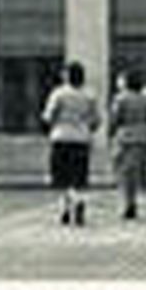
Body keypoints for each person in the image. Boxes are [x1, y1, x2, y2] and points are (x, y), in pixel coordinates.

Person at [41, 60, 101, 226]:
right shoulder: (90, 95)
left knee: (62, 177)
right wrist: (87, 129)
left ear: (66, 76)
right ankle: (77, 201)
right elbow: (96, 120)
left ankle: (66, 208)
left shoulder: (59, 93)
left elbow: (48, 115)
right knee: (78, 176)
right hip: (81, 138)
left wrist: (51, 125)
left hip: (61, 136)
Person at [109, 70, 146, 220]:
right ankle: (132, 201)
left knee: (123, 172)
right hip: (142, 136)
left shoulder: (120, 99)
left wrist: (111, 132)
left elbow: (115, 118)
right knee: (134, 173)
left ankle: (126, 203)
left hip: (125, 137)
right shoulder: (145, 99)